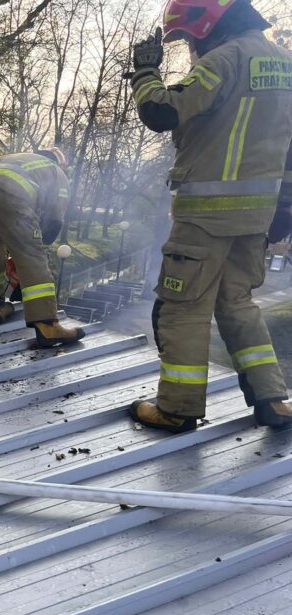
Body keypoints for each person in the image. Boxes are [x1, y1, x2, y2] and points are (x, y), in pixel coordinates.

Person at [126, 0, 292, 432]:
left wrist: (145, 73)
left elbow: (162, 111)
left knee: (183, 307)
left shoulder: (227, 57)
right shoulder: (284, 63)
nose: (191, 47)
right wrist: (283, 212)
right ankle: (272, 399)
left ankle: (177, 408)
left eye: (189, 37)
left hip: (205, 218)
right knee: (238, 304)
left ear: (207, 24)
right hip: (256, 217)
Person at [0, 148, 86, 345]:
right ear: (61, 165)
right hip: (11, 194)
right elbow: (55, 219)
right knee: (33, 257)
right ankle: (47, 325)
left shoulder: (19, 160)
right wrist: (36, 244)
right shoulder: (56, 172)